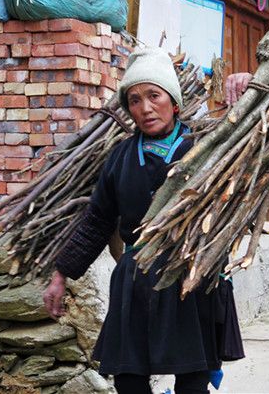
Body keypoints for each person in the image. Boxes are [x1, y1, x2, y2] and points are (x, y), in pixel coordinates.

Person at [43, 47, 250, 394]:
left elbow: (255, 140)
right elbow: (97, 221)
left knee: (192, 383)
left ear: (174, 102)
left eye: (154, 95)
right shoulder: (120, 157)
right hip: (135, 279)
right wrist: (61, 274)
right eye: (135, 100)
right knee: (129, 381)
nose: (145, 108)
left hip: (189, 275)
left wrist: (249, 84)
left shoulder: (204, 146)